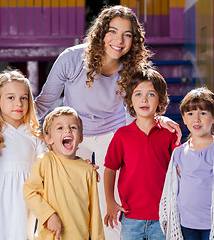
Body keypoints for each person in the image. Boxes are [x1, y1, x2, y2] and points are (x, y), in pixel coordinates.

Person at [34, 5, 181, 238]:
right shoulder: (72, 59)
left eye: (127, 34)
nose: (119, 40)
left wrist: (157, 119)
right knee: (69, 198)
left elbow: (137, 105)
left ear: (134, 40)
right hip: (74, 134)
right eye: (112, 31)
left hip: (112, 134)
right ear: (101, 33)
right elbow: (44, 102)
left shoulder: (133, 69)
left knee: (109, 203)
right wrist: (6, 118)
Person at [159, 87, 214, 240]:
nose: (196, 119)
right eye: (190, 114)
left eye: (203, 113)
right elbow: (172, 187)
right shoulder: (179, 153)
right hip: (186, 224)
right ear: (184, 118)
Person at [103, 68, 178, 240]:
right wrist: (110, 202)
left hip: (163, 218)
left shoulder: (169, 135)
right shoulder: (121, 135)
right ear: (130, 101)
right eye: (137, 94)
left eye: (151, 94)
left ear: (160, 101)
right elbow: (110, 169)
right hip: (131, 218)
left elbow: (178, 172)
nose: (144, 99)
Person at [23, 106, 104, 239]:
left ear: (81, 138)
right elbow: (29, 191)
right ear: (49, 139)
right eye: (60, 128)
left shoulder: (88, 170)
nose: (67, 130)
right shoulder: (45, 161)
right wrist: (48, 216)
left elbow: (95, 214)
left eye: (73, 127)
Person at [0, 69, 47, 239]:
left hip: (27, 200)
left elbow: (47, 167)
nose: (19, 104)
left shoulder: (34, 135)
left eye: (24, 98)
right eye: (11, 97)